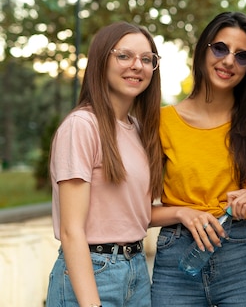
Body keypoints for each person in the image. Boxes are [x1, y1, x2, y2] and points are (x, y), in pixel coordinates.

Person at [150, 11, 246, 307]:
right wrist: (182, 212)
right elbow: (136, 212)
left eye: (242, 55)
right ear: (203, 50)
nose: (228, 61)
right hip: (177, 258)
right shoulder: (162, 122)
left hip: (243, 258)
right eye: (220, 48)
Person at [46, 22, 163, 307]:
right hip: (93, 271)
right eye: (124, 56)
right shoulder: (82, 126)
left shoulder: (137, 129)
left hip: (135, 271)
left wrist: (185, 214)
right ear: (101, 61)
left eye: (147, 59)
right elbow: (71, 231)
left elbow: (133, 215)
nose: (137, 65)